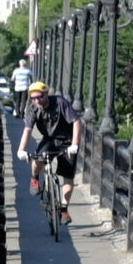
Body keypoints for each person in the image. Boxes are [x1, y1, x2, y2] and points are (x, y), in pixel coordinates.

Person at [20, 83, 79, 226]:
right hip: (49, 139)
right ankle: (35, 178)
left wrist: (75, 145)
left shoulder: (60, 103)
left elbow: (76, 122)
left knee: (67, 176)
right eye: (33, 98)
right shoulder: (33, 109)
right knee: (37, 159)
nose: (37, 101)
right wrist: (21, 150)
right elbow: (28, 130)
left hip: (67, 140)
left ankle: (64, 209)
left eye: (40, 97)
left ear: (46, 94)